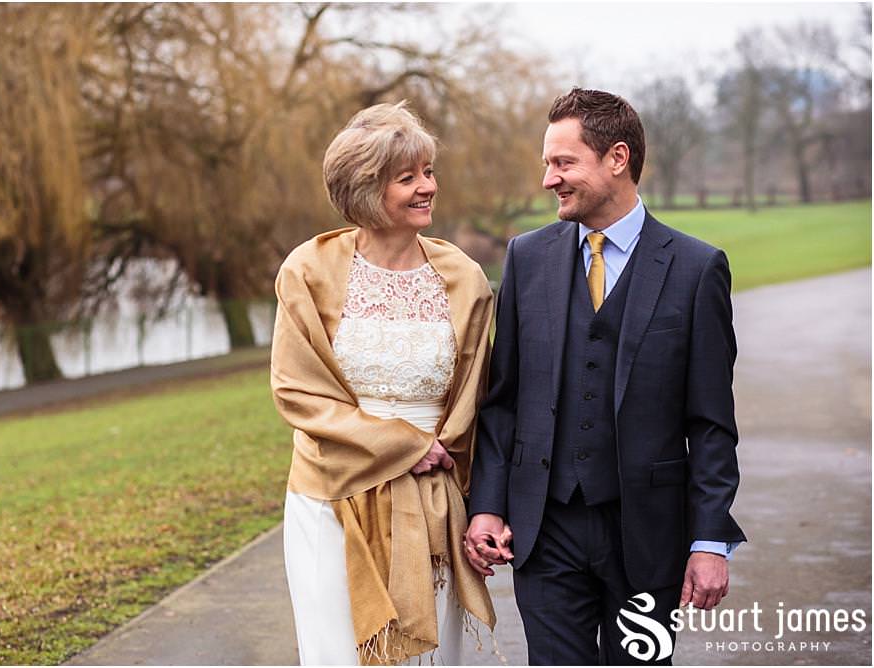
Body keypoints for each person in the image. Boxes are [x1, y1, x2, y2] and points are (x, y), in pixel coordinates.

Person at [464, 88, 747, 665]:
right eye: (547, 163)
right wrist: (487, 504)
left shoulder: (696, 269)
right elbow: (504, 399)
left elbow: (712, 422)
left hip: (648, 535)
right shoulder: (526, 257)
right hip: (545, 532)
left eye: (563, 162)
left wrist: (710, 540)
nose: (548, 179)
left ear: (617, 159)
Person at [270, 101, 496, 666]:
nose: (427, 187)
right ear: (368, 189)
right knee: (337, 653)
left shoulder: (465, 278)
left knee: (424, 656)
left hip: (431, 497)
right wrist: (405, 446)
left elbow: (474, 394)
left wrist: (465, 489)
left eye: (428, 172)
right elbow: (298, 390)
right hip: (331, 495)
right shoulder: (308, 270)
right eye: (408, 178)